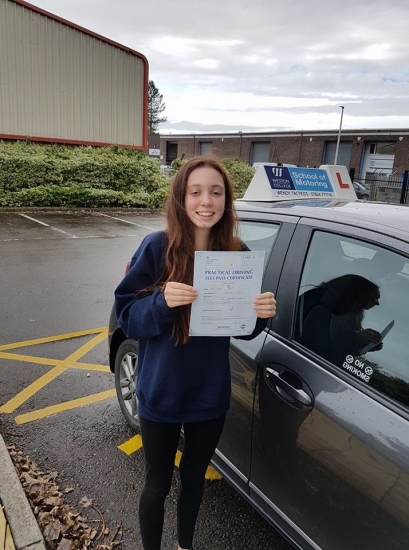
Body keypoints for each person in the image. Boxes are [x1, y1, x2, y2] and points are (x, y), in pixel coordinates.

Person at [114, 156, 276, 550]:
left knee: (194, 478)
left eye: (216, 192)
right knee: (157, 484)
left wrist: (261, 315)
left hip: (209, 395)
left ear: (226, 200)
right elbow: (127, 317)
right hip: (161, 393)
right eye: (197, 191)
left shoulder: (238, 253)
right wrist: (161, 302)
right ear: (181, 198)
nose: (207, 201)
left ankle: (184, 545)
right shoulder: (156, 247)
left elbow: (243, 324)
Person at [301, 274, 382, 367]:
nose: (377, 303)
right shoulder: (321, 310)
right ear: (359, 292)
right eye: (375, 296)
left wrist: (366, 345)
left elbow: (340, 352)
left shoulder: (351, 316)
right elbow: (318, 347)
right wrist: (356, 337)